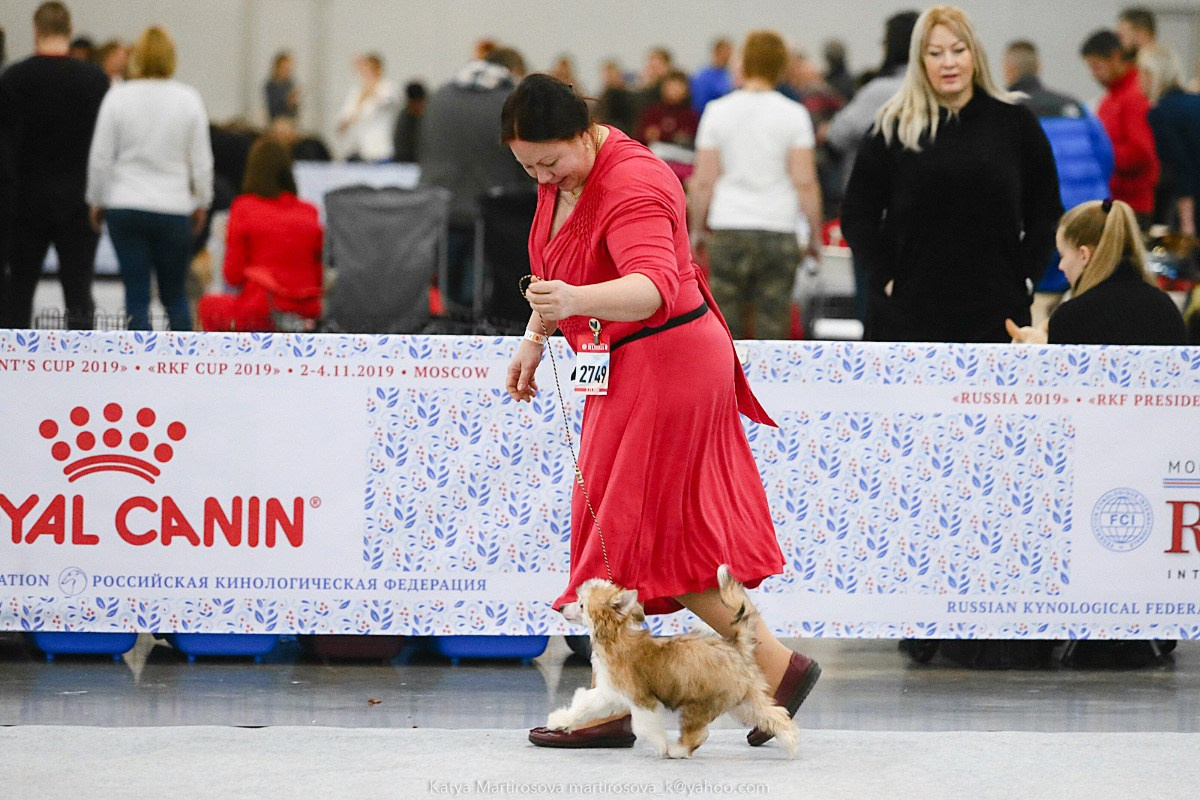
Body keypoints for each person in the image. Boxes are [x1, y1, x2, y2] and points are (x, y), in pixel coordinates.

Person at [503, 74, 819, 751]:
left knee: (610, 538)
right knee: (666, 544)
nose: (541, 176)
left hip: (664, 360)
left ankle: (616, 703)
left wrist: (572, 302)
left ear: (586, 133)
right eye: (526, 165)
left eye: (549, 162)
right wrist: (534, 339)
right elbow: (557, 276)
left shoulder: (635, 184)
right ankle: (778, 669)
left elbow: (651, 290)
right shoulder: (563, 175)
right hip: (637, 362)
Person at [840, 6, 1062, 343]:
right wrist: (886, 277)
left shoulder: (1015, 124)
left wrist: (1028, 276)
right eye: (935, 53)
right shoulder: (892, 127)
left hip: (996, 314)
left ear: (975, 54)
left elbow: (1045, 211)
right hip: (907, 317)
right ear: (920, 61)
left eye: (958, 50)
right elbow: (857, 214)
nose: (948, 63)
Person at [689, 30, 823, 341]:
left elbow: (704, 182)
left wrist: (697, 229)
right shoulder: (794, 115)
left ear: (744, 62)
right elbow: (805, 183)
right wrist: (815, 237)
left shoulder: (717, 112)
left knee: (724, 332)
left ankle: (728, 389)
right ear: (781, 67)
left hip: (729, 227)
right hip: (777, 229)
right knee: (773, 328)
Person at [86, 25, 212, 331]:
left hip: (125, 204)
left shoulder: (118, 97)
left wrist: (97, 200)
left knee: (136, 294)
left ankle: (137, 372)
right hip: (172, 207)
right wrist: (202, 202)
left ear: (135, 58)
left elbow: (101, 157)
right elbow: (202, 161)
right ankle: (184, 367)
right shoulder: (188, 99)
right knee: (175, 296)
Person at [0, 1, 109, 330]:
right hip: (78, 199)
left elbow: (6, 150)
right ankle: (82, 370)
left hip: (26, 200)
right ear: (70, 30)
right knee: (78, 292)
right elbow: (102, 148)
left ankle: (12, 369)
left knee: (19, 290)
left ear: (36, 30)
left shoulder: (15, 78)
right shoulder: (95, 80)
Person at [1004, 39, 1113, 322]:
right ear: (1038, 68)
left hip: (1042, 226)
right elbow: (1106, 158)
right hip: (1091, 219)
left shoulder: (1004, 112)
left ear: (1007, 70)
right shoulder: (1077, 107)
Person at [828, 10, 920, 324]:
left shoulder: (880, 92)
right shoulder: (944, 95)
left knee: (873, 308)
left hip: (878, 217)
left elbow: (838, 134)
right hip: (925, 220)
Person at [418, 46, 528, 311]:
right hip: (492, 210)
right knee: (477, 292)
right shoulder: (510, 100)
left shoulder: (440, 94)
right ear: (513, 70)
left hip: (440, 204)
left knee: (447, 287)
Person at [1007, 198, 1186, 346]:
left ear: (1084, 255)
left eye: (1062, 255)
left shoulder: (1072, 318)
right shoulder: (1166, 308)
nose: (1061, 266)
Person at [197, 137, 322, 332]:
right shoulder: (309, 211)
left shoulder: (243, 207)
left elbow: (233, 275)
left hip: (262, 309)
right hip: (306, 309)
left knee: (207, 306)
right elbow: (318, 273)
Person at [1080, 29, 1159, 227]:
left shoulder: (1133, 97)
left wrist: (1098, 153)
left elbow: (1141, 153)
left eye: (1097, 67)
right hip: (1114, 201)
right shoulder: (1110, 98)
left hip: (1132, 207)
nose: (1094, 75)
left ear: (1115, 57)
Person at [1138, 46, 1200, 236]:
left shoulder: (1161, 113)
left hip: (1192, 199)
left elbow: (1180, 166)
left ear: (1151, 75)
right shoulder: (1194, 100)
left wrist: (1187, 221)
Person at [334, 52, 397, 162]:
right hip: (361, 152)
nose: (365, 74)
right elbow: (343, 121)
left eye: (369, 70)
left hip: (382, 152)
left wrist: (370, 90)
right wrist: (359, 102)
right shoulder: (357, 92)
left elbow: (386, 102)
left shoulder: (389, 88)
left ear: (378, 70)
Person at [634, 69, 699, 148]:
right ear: (663, 88)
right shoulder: (652, 112)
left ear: (686, 90)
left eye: (678, 86)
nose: (674, 90)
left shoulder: (691, 116)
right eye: (671, 86)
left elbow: (694, 141)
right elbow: (638, 138)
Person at [690, 37, 733, 115]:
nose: (729, 56)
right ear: (717, 52)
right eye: (726, 52)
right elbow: (699, 104)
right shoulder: (703, 76)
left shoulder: (728, 74)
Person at [392, 80, 426, 163]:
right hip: (407, 163)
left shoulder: (433, 116)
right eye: (414, 103)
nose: (417, 107)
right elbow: (400, 146)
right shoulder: (404, 118)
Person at [264, 50, 299, 121]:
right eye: (285, 68)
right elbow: (273, 110)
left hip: (290, 122)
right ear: (277, 67)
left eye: (289, 69)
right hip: (276, 122)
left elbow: (295, 113)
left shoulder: (290, 84)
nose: (288, 71)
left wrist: (294, 103)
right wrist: (288, 102)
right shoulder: (270, 85)